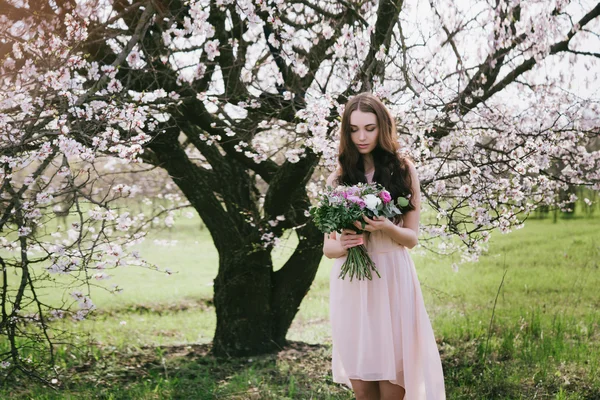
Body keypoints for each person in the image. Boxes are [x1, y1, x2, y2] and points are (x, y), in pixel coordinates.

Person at [323, 92, 446, 400]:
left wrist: (388, 227)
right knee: (363, 392)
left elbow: (412, 239)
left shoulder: (403, 170)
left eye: (369, 128)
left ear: (383, 128)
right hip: (352, 284)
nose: (361, 136)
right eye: (354, 129)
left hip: (392, 278)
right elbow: (328, 247)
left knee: (393, 390)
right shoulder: (338, 178)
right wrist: (345, 243)